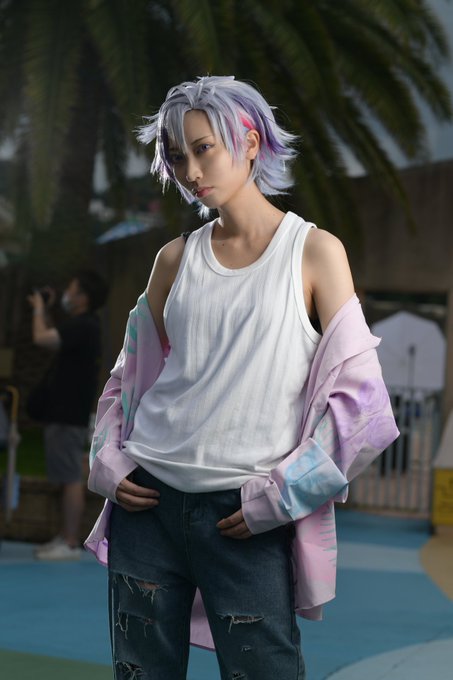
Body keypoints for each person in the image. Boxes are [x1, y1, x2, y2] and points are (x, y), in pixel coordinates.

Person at [85, 76, 399, 679]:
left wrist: (282, 497)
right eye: (177, 156)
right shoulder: (174, 259)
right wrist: (110, 461)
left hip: (245, 515)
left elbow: (363, 407)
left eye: (204, 148)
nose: (190, 170)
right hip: (147, 506)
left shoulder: (314, 252)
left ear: (250, 143)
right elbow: (126, 380)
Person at [28, 269, 108, 560]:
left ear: (83, 297)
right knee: (67, 474)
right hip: (68, 412)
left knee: (71, 476)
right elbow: (57, 337)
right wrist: (47, 311)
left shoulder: (84, 325)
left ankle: (71, 541)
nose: (66, 294)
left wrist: (38, 309)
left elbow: (42, 338)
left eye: (71, 289)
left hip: (67, 413)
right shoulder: (85, 326)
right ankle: (65, 536)